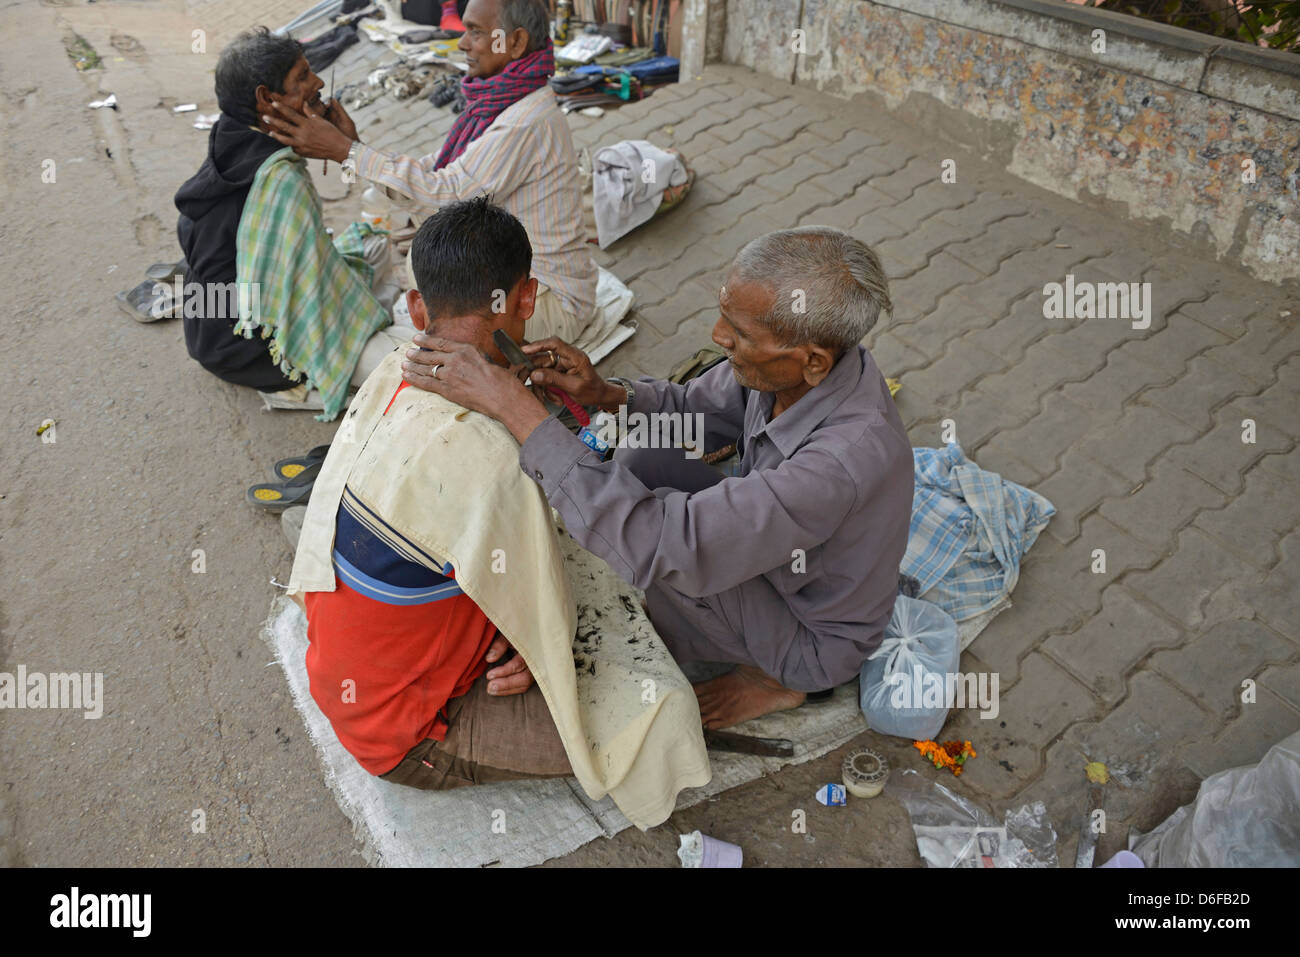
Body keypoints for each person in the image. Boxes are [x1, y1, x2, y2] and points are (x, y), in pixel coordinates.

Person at [398, 226, 916, 729]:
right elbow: (695, 411)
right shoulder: (798, 368)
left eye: (738, 333)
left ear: (814, 362)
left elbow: (665, 543)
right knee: (643, 457)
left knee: (658, 551)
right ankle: (701, 624)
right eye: (724, 316)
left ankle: (778, 678)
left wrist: (521, 415)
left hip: (811, 635)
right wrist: (604, 393)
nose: (718, 336)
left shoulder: (839, 463)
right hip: (783, 563)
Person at [286, 197, 573, 788]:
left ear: (416, 309)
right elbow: (547, 607)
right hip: (403, 736)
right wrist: (536, 638)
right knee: (637, 726)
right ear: (527, 298)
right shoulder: (505, 456)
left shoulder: (393, 370)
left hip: (343, 683)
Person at [262, 0, 599, 344]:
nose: (463, 43)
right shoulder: (502, 99)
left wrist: (348, 152)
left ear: (515, 42)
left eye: (476, 32)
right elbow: (442, 169)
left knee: (429, 306)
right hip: (520, 283)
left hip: (550, 302)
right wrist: (354, 148)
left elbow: (447, 198)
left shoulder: (524, 121)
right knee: (423, 270)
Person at [174, 27, 397, 419]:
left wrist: (347, 147)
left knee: (378, 248)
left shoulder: (234, 133)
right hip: (244, 349)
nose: (317, 84)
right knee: (397, 364)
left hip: (206, 327)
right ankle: (292, 385)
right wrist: (348, 150)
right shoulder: (280, 181)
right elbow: (308, 296)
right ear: (266, 98)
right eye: (302, 78)